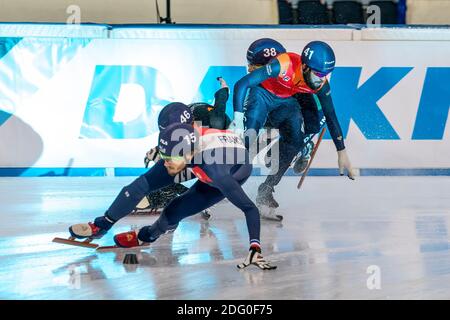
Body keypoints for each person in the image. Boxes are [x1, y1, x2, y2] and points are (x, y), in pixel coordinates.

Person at [67, 122, 276, 270]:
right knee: (139, 186)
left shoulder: (217, 172)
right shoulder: (180, 143)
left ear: (187, 155)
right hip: (201, 153)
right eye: (164, 157)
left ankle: (147, 235)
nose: (165, 163)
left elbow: (250, 209)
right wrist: (167, 155)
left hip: (230, 171)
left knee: (174, 210)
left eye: (170, 159)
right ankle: (101, 225)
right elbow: (156, 172)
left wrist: (254, 246)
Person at [231, 39, 355, 221]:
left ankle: (266, 190)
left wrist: (341, 150)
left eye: (326, 75)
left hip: (286, 100)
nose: (321, 80)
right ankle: (222, 181)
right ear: (304, 66)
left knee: (296, 141)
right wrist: (238, 120)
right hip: (262, 94)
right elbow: (242, 84)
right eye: (318, 74)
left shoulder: (321, 84)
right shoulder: (284, 63)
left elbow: (331, 116)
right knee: (248, 136)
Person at [131, 77, 231, 218]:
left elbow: (220, 104)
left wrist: (224, 89)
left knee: (207, 166)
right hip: (197, 128)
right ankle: (170, 192)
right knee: (175, 165)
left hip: (220, 139)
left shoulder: (215, 125)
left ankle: (201, 193)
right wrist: (158, 152)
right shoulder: (179, 120)